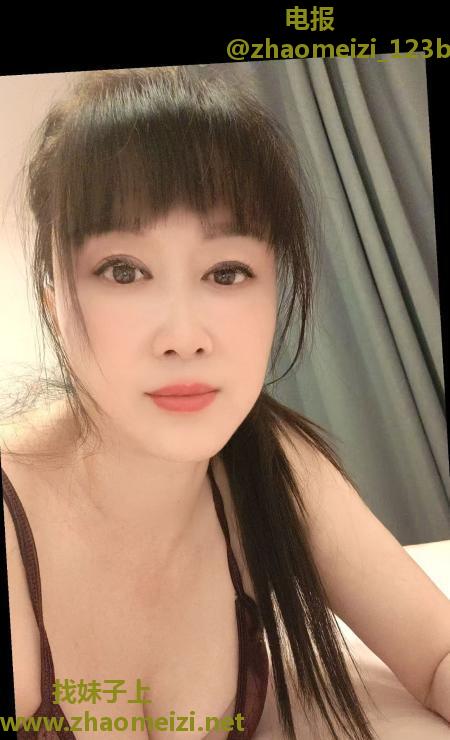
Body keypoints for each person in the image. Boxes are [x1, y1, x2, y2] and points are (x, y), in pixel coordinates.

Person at [1, 66, 449, 740]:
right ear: (52, 304)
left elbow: (437, 654)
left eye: (227, 271)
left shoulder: (270, 463)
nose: (184, 337)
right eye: (123, 270)